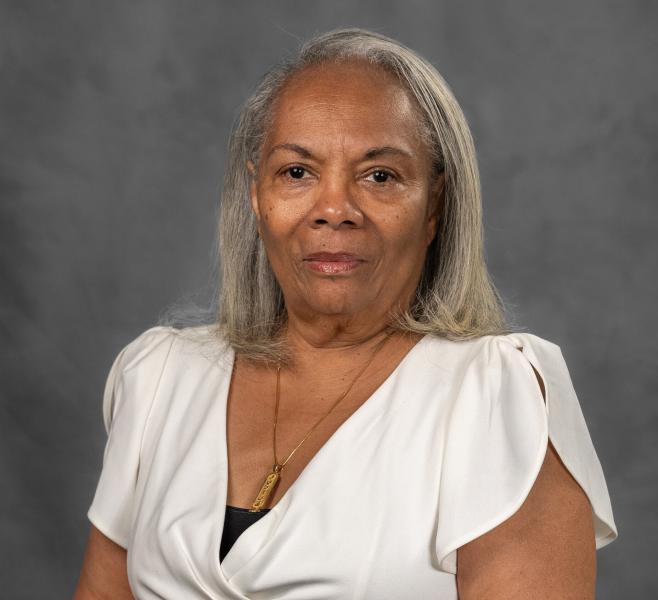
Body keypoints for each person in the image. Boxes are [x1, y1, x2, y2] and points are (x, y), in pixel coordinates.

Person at [74, 27, 618, 599]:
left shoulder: (493, 399)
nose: (334, 210)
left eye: (379, 176)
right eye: (297, 172)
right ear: (257, 194)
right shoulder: (158, 377)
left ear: (435, 205)